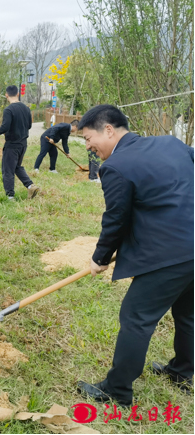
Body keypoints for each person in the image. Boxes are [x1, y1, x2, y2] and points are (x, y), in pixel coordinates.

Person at [76, 105, 193, 406]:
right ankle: (183, 373)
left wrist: (100, 258)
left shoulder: (116, 166)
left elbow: (116, 219)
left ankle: (117, 390)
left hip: (168, 254)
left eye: (88, 138)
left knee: (136, 318)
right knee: (187, 313)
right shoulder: (171, 143)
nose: (88, 146)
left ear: (109, 130)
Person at [0, 85, 39, 200]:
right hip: (23, 144)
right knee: (17, 167)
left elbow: (5, 127)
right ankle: (30, 186)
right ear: (18, 94)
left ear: (6, 95)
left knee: (8, 170)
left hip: (12, 145)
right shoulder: (26, 108)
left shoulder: (8, 110)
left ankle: (10, 196)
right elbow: (29, 126)